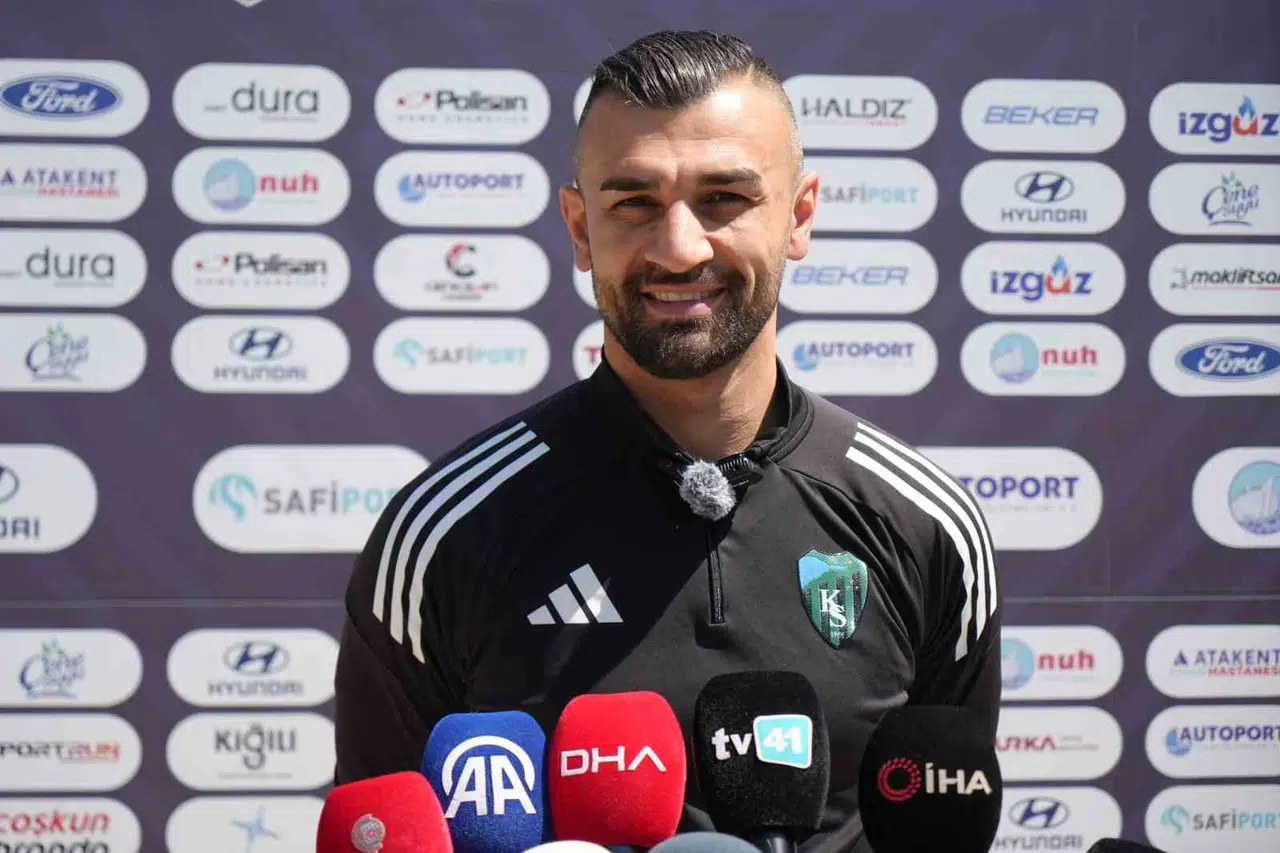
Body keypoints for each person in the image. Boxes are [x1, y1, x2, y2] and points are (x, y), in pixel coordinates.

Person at [334, 29, 1002, 852]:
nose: (680, 248)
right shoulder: (444, 535)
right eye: (634, 203)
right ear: (580, 228)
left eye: (724, 198)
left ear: (798, 216)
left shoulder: (926, 526)